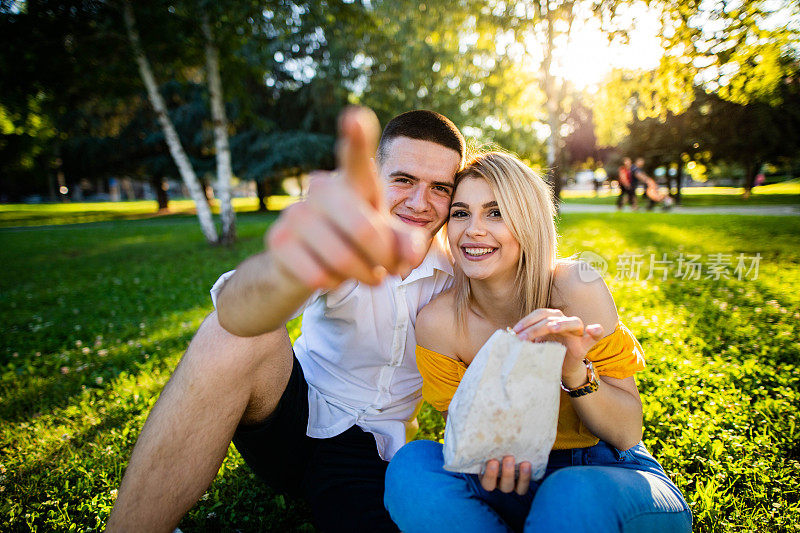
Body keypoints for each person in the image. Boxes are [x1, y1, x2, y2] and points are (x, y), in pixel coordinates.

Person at [107, 108, 465, 532]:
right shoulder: (339, 232)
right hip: (295, 419)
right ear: (373, 172)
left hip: (374, 453)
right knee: (235, 337)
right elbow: (234, 314)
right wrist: (291, 269)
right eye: (403, 180)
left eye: (440, 188)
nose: (420, 202)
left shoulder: (462, 270)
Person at [384, 151, 692, 532]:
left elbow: (627, 433)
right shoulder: (438, 322)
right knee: (412, 466)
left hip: (604, 473)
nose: (473, 230)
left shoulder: (576, 287)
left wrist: (574, 370)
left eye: (496, 213)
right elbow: (465, 434)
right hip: (507, 480)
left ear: (528, 221)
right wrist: (494, 443)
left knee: (569, 493)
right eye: (461, 213)